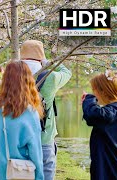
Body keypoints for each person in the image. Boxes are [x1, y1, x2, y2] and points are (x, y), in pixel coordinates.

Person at [0, 61, 44, 180]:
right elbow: (35, 151)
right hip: (17, 172)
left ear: (4, 79)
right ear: (28, 82)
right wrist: (39, 176)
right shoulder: (29, 112)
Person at [20, 40, 72, 180]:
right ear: (40, 56)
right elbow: (67, 72)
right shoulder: (51, 77)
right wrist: (47, 62)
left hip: (19, 139)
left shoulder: (14, 75)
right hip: (44, 138)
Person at [81, 71, 117, 180]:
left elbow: (93, 115)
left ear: (102, 91)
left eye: (94, 90)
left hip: (111, 169)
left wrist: (89, 100)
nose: (94, 94)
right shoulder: (114, 109)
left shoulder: (115, 110)